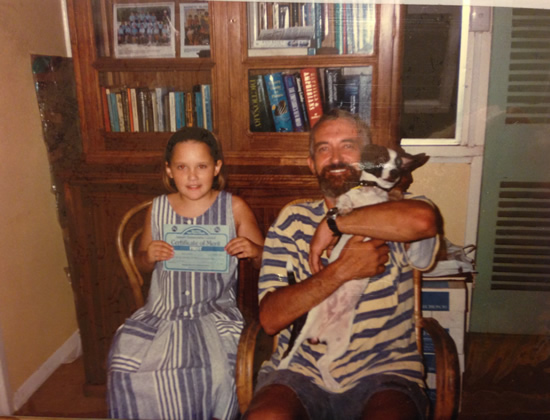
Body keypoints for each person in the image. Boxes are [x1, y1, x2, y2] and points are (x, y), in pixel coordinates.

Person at [244, 109, 440, 420]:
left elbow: (424, 221)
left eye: (347, 146)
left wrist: (336, 224)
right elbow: (270, 319)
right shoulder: (291, 220)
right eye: (324, 149)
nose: (335, 158)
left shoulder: (399, 208)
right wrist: (341, 270)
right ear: (312, 164)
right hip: (300, 372)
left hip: (386, 373)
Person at [108, 127, 264, 420]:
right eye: (182, 167)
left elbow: (266, 261)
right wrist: (148, 255)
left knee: (217, 372)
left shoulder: (234, 207)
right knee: (125, 365)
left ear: (216, 167)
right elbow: (141, 264)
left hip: (214, 313)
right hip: (161, 313)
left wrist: (254, 250)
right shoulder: (158, 209)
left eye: (201, 166)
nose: (192, 176)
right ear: (169, 170)